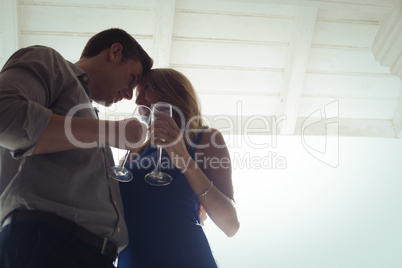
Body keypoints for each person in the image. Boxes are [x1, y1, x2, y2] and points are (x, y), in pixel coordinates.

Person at [0, 28, 153, 268]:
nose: (128, 95)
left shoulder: (87, 119)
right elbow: (5, 116)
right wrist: (113, 132)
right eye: (132, 79)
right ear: (115, 52)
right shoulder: (49, 62)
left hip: (93, 255)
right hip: (48, 246)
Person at [118, 68, 240, 268]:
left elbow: (231, 225)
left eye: (146, 88)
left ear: (173, 92)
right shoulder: (132, 153)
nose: (137, 101)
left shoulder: (205, 138)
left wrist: (184, 160)